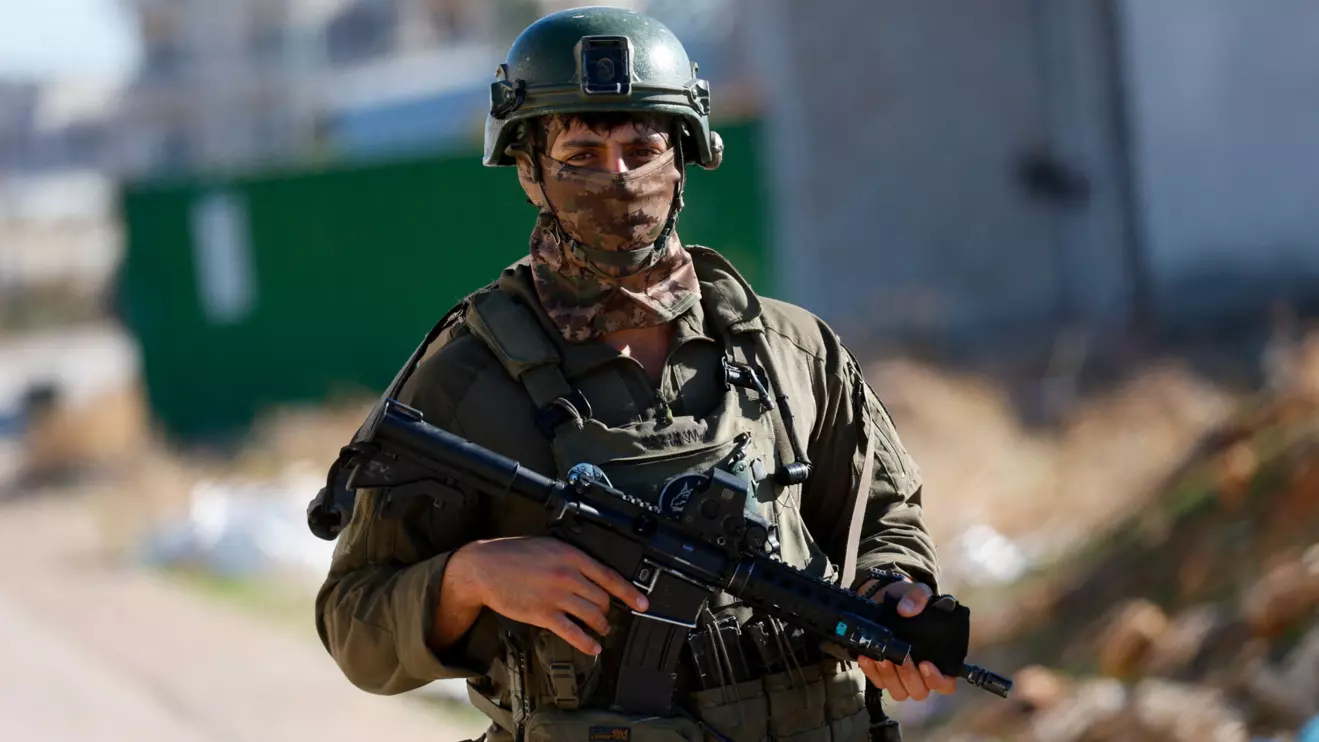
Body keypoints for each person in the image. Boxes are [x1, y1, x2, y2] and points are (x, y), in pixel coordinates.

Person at [315, 6, 955, 741]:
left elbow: (884, 519)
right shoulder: (465, 380)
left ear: (683, 157)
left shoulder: (792, 350)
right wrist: (469, 578)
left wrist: (892, 594)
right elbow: (354, 626)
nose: (616, 178)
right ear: (529, 171)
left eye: (641, 149)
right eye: (581, 153)